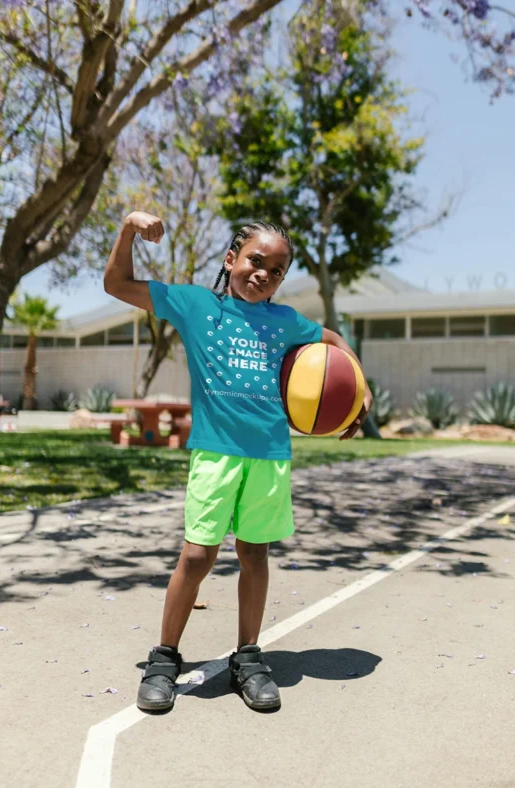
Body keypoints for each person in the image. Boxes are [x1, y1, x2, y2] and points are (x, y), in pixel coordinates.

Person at [103, 210, 372, 712]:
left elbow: (333, 343)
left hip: (269, 457)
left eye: (277, 269)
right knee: (197, 556)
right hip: (215, 454)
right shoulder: (196, 305)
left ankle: (247, 657)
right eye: (255, 261)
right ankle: (165, 658)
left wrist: (359, 390)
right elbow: (116, 283)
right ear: (231, 259)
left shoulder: (288, 322)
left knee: (255, 555)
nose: (264, 274)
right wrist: (127, 229)